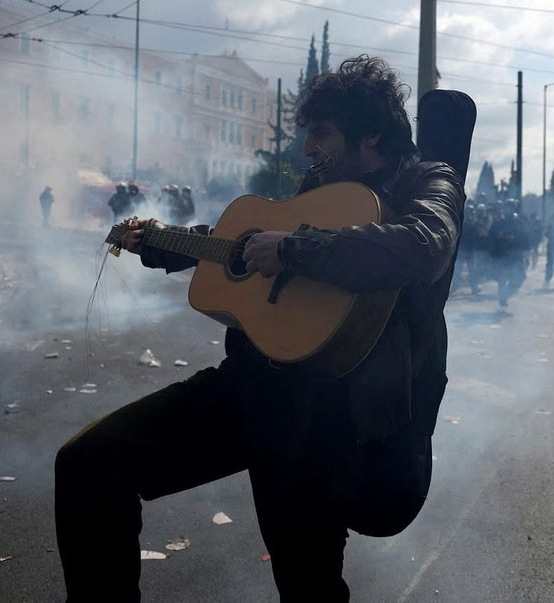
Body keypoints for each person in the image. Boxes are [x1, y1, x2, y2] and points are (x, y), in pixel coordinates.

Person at [54, 55, 465, 601]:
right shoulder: (322, 181)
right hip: (253, 387)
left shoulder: (428, 181)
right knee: (89, 465)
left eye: (320, 133)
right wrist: (164, 244)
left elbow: (424, 246)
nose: (307, 149)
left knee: (306, 584)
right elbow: (249, 245)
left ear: (369, 134)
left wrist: (297, 250)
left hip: (330, 421)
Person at [487, 202, 530, 308]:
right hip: (502, 255)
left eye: (510, 208)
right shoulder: (498, 223)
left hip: (516, 256)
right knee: (502, 279)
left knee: (520, 278)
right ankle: (502, 300)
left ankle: (505, 295)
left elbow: (525, 239)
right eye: (506, 207)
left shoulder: (520, 223)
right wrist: (499, 236)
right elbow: (490, 238)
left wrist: (515, 240)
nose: (508, 210)